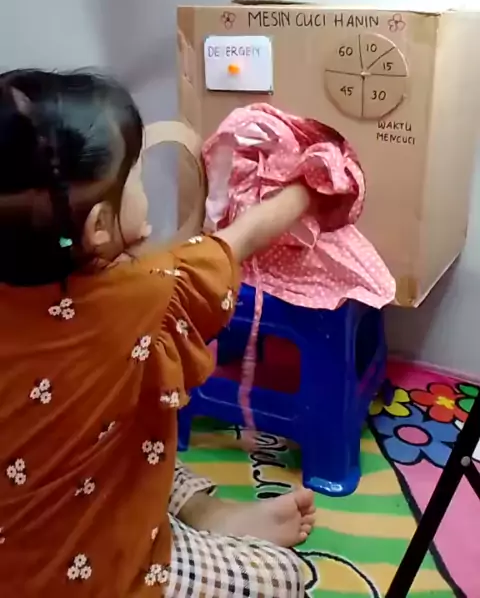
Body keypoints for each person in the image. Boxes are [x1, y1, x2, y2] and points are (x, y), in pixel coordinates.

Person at [0, 70, 315, 597]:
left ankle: (211, 514)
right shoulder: (150, 297)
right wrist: (310, 187)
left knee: (128, 429)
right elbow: (235, 243)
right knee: (284, 577)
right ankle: (195, 533)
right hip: (96, 577)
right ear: (99, 226)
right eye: (136, 176)